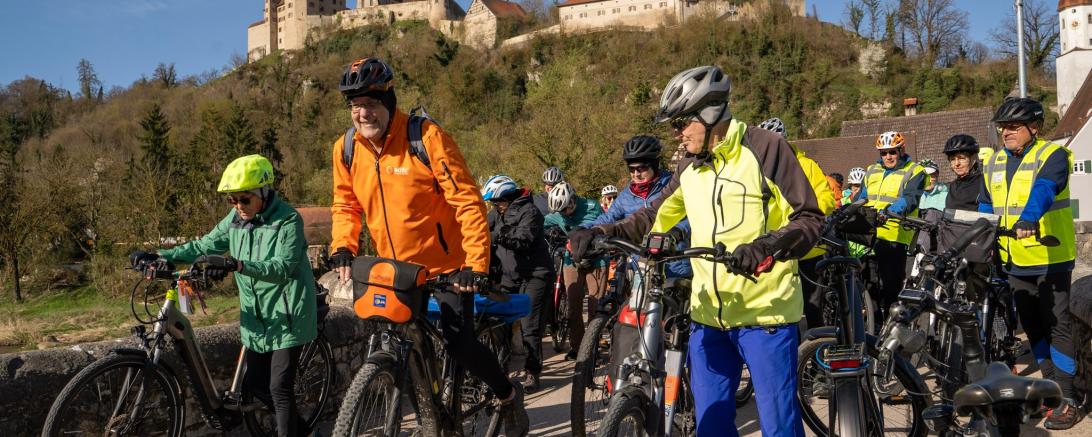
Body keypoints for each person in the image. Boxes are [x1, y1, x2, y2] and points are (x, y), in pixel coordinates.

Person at [585, 66, 821, 437]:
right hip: (708, 316)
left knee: (779, 427)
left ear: (710, 113)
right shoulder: (689, 167)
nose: (676, 135)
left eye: (681, 124)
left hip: (765, 316)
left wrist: (766, 247)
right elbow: (653, 214)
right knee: (709, 428)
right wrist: (601, 230)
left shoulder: (765, 148)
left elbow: (809, 218)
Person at [327, 57, 528, 435]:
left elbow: (467, 200)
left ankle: (506, 394)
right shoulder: (346, 149)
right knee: (396, 343)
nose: (362, 113)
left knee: (459, 343)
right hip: (395, 270)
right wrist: (344, 246)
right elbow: (345, 204)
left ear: (388, 103)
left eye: (370, 104)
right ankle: (428, 415)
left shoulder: (425, 137)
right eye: (355, 106)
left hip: (448, 267)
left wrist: (476, 265)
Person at [131, 155, 317, 437]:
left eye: (245, 199)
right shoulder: (235, 219)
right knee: (255, 386)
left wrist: (237, 264)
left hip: (288, 313)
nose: (238, 206)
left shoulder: (287, 221)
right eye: (233, 200)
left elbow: (282, 268)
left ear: (265, 193)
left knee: (279, 388)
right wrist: (159, 255)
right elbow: (204, 245)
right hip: (256, 315)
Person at [979, 97, 1082, 429]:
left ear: (1033, 128)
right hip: (1014, 260)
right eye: (1002, 128)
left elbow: (1045, 189)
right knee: (1032, 326)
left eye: (1012, 127)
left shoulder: (1051, 156)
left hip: (1051, 257)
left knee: (1058, 325)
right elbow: (984, 205)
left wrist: (1028, 218)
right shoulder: (993, 162)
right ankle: (1048, 387)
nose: (1005, 133)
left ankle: (1067, 398)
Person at [756, 117, 837, 332]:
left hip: (807, 249)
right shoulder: (755, 169)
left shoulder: (807, 165)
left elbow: (827, 199)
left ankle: (817, 358)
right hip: (775, 250)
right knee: (779, 311)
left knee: (813, 309)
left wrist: (803, 217)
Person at [482, 174, 554, 392]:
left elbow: (523, 239)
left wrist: (498, 236)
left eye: (498, 202)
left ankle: (532, 372)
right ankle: (501, 373)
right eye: (493, 204)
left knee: (529, 326)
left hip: (535, 275)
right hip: (508, 276)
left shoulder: (530, 212)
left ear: (509, 197)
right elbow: (480, 231)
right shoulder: (496, 214)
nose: (496, 207)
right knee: (499, 324)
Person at [586, 134, 692, 278]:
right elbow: (608, 218)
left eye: (641, 168)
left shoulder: (672, 185)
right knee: (636, 300)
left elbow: (691, 217)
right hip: (642, 266)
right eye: (631, 169)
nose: (636, 174)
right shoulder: (625, 196)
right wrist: (586, 231)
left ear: (654, 165)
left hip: (675, 263)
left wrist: (677, 232)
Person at [859, 130, 926, 314]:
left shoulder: (914, 170)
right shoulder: (872, 170)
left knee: (891, 287)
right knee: (870, 285)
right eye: (883, 153)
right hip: (870, 236)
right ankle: (874, 327)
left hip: (895, 236)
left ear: (901, 150)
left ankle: (892, 325)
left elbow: (910, 198)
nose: (888, 156)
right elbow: (861, 197)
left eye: (892, 152)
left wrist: (888, 212)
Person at [543, 181, 607, 360]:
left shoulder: (592, 207)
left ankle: (592, 347)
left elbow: (608, 224)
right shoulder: (557, 215)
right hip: (572, 260)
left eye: (565, 209)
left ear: (572, 201)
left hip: (597, 259)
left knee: (596, 306)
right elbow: (540, 223)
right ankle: (577, 347)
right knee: (573, 307)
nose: (563, 214)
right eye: (559, 212)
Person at [942, 134, 983, 212]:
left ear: (973, 159)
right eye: (952, 159)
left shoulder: (983, 184)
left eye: (961, 158)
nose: (957, 163)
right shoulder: (952, 186)